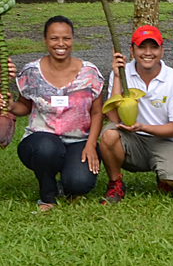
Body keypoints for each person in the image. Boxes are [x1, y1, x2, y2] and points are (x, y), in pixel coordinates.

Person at [12, 16, 105, 210]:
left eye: (66, 38)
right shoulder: (32, 72)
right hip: (41, 139)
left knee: (79, 183)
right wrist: (8, 106)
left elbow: (97, 113)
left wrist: (90, 144)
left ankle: (65, 183)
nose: (60, 44)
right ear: (45, 40)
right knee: (47, 149)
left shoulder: (90, 73)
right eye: (54, 38)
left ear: (73, 40)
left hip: (78, 140)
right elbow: (24, 106)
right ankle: (47, 196)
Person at [97, 25, 173, 201]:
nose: (148, 53)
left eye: (154, 47)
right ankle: (115, 183)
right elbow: (112, 117)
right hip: (131, 140)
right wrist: (118, 77)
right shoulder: (121, 72)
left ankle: (164, 177)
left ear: (162, 51)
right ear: (132, 51)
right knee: (109, 134)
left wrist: (143, 126)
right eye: (141, 47)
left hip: (164, 140)